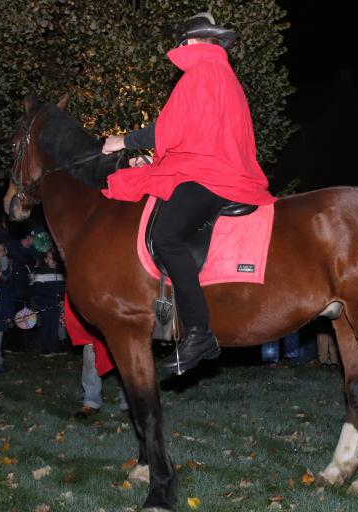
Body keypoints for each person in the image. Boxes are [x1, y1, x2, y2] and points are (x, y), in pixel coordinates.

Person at [99, 12, 276, 374]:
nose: (179, 49)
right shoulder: (222, 74)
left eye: (182, 42)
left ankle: (198, 330)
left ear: (192, 42)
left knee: (166, 236)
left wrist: (124, 141)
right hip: (216, 168)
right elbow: (198, 135)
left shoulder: (202, 71)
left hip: (213, 176)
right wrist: (153, 159)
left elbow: (170, 127)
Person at [31, 250, 66, 356]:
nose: (54, 261)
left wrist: (61, 299)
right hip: (45, 304)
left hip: (56, 304)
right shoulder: (41, 273)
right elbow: (38, 289)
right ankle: (45, 347)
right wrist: (52, 296)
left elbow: (63, 289)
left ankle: (54, 346)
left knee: (55, 325)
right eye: (51, 258)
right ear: (46, 260)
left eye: (55, 258)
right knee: (46, 325)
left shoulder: (61, 273)